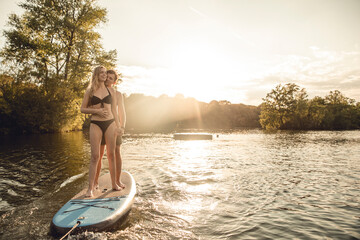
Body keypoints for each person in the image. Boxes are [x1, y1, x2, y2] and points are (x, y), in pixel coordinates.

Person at [80, 66, 122, 197]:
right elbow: (83, 109)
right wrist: (97, 111)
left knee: (111, 154)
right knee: (95, 156)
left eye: (105, 73)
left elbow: (115, 110)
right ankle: (90, 188)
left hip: (110, 123)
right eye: (102, 73)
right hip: (96, 123)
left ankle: (114, 183)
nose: (104, 75)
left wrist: (119, 125)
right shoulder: (90, 91)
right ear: (97, 75)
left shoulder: (112, 91)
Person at [94, 69, 126, 190]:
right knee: (100, 153)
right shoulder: (98, 90)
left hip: (114, 125)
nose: (107, 79)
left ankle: (117, 180)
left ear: (114, 82)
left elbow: (121, 112)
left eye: (111, 78)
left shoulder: (117, 94)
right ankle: (95, 181)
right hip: (101, 124)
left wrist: (122, 127)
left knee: (116, 152)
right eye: (107, 77)